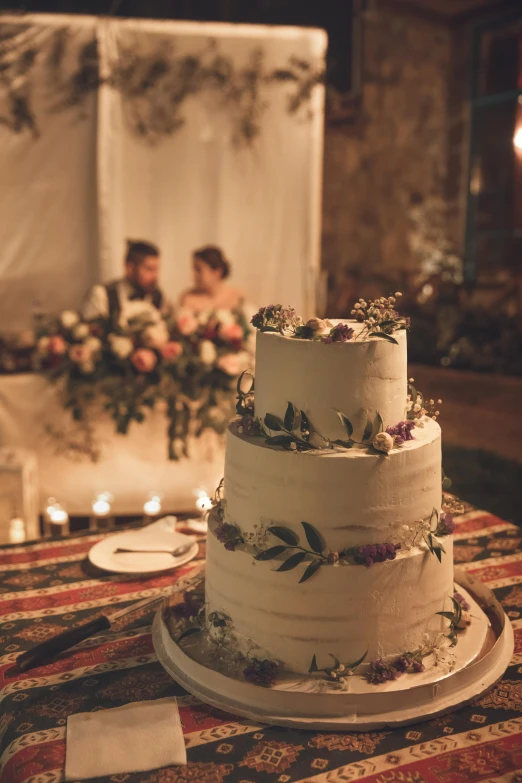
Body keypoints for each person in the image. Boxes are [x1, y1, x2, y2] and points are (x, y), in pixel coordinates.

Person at [83, 240, 170, 325]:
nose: (155, 276)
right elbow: (90, 334)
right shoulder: (102, 295)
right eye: (149, 269)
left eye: (157, 270)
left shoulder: (158, 297)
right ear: (130, 268)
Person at [179, 246, 244, 313]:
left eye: (198, 270)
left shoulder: (237, 296)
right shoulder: (188, 298)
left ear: (217, 272)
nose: (193, 276)